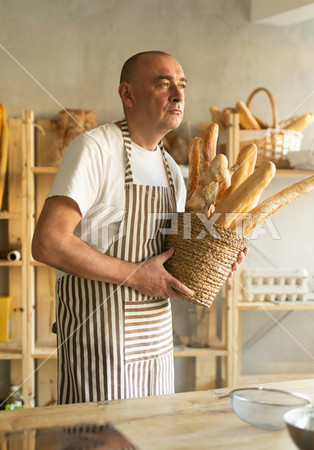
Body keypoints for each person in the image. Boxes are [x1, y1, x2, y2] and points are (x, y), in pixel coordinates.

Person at [32, 51, 246, 405]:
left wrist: (215, 261)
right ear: (127, 95)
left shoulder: (172, 170)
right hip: (98, 347)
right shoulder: (96, 149)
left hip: (156, 345)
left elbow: (170, 265)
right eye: (164, 84)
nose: (178, 95)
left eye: (182, 85)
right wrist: (136, 275)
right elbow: (48, 243)